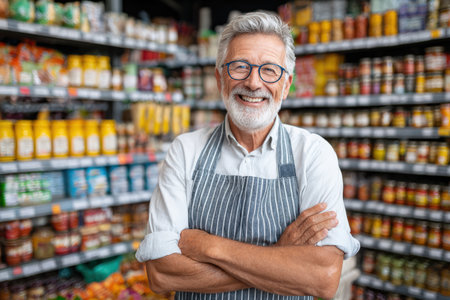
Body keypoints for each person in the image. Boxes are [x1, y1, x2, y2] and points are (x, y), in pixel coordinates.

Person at [136, 11, 360, 300]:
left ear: (286, 85)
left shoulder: (313, 154)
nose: (254, 83)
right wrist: (280, 257)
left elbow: (322, 278)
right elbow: (162, 273)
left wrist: (208, 247)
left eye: (269, 70)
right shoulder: (185, 150)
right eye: (240, 67)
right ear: (220, 78)